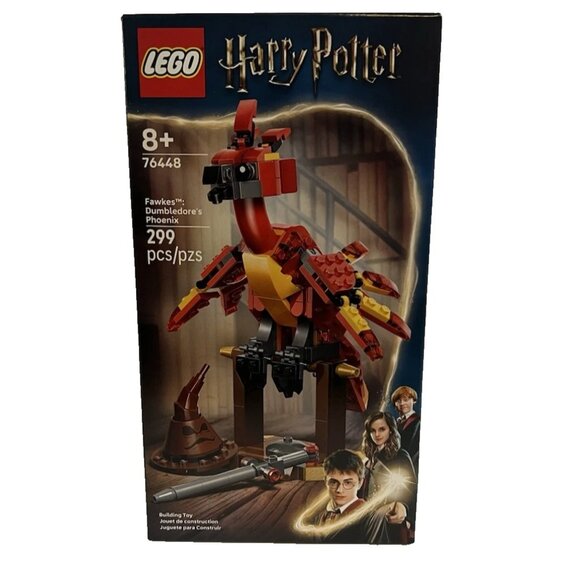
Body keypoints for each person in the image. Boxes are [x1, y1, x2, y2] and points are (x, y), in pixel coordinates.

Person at [360, 411, 417, 542]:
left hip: (389, 519)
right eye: (373, 430)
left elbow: (411, 488)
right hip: (367, 517)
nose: (377, 434)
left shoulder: (400, 456)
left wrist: (404, 507)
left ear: (390, 430)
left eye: (382, 429)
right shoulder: (368, 459)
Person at [311, 449, 390, 544]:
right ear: (325, 481)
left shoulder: (370, 518)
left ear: (360, 483)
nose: (339, 490)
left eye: (348, 483)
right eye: (333, 482)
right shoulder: (318, 517)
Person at [391, 385, 421, 470]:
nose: (402, 403)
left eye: (406, 400)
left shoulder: (419, 422)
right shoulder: (394, 424)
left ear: (413, 401)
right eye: (398, 401)